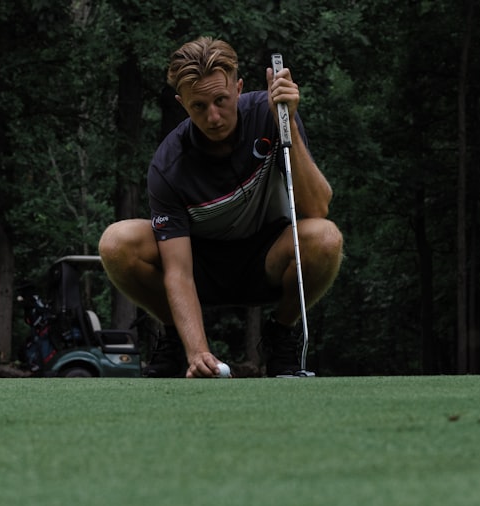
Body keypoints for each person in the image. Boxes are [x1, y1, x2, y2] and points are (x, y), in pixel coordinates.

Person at [98, 37, 343, 378]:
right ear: (182, 103)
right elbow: (179, 272)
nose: (213, 116)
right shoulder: (169, 164)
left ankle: (281, 333)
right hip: (201, 270)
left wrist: (289, 126)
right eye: (199, 106)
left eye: (221, 100)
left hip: (266, 260)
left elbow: (317, 205)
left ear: (239, 88)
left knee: (326, 237)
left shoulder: (273, 113)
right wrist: (198, 351)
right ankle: (175, 337)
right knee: (116, 242)